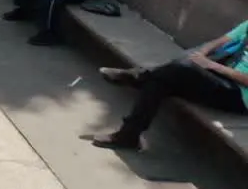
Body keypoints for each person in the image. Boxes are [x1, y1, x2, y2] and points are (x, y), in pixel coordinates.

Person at [91, 20, 248, 151]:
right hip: (219, 74)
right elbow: (220, 42)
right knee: (162, 79)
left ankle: (138, 77)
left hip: (239, 96)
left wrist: (214, 66)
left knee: (171, 73)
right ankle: (129, 135)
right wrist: (201, 54)